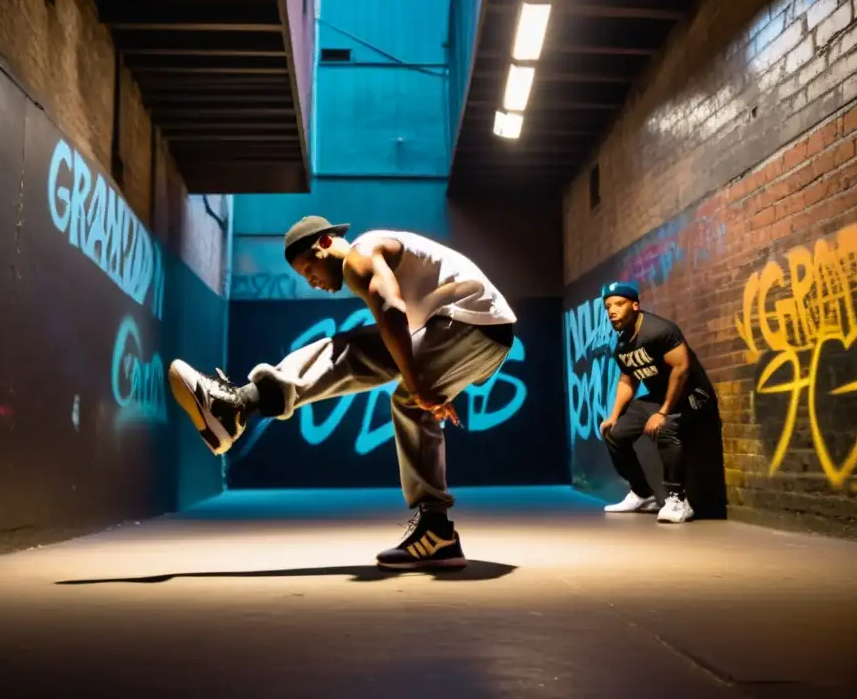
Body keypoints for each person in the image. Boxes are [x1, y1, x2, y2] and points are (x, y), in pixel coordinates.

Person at [168, 216, 517, 570]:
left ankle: (238, 405)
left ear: (324, 244)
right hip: (482, 330)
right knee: (389, 377)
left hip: (469, 321)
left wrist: (418, 382)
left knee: (362, 357)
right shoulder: (383, 253)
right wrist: (432, 380)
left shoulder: (359, 256)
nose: (312, 282)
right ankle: (437, 533)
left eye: (308, 270)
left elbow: (392, 309)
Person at [598, 281, 717, 524]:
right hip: (658, 397)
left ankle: (678, 500)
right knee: (614, 433)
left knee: (665, 427)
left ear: (635, 305)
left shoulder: (659, 330)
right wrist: (613, 416)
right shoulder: (623, 342)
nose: (612, 311)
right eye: (608, 306)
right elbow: (626, 381)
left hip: (692, 395)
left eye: (619, 304)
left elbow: (681, 369)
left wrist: (663, 412)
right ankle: (643, 494)